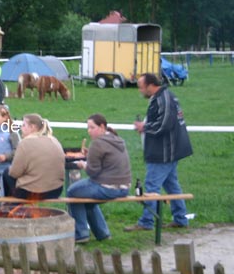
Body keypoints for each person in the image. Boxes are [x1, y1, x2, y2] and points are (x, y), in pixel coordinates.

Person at [125, 73, 193, 231]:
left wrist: (144, 127)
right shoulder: (163, 97)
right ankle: (181, 218)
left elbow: (165, 124)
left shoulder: (164, 99)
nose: (140, 91)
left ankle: (146, 222)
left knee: (151, 187)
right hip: (168, 151)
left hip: (163, 153)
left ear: (150, 85)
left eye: (141, 87)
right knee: (172, 186)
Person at [67, 114, 131, 243]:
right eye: (88, 127)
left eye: (92, 127)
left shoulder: (98, 143)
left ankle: (81, 233)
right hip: (125, 187)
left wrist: (83, 165)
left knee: (72, 192)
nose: (89, 130)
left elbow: (92, 172)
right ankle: (102, 233)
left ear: (102, 127)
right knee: (86, 199)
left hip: (108, 187)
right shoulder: (116, 139)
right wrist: (91, 155)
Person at [3, 114, 64, 200]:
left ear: (32, 127)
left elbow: (14, 173)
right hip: (56, 190)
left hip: (33, 192)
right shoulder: (54, 140)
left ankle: (10, 206)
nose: (21, 128)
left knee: (7, 172)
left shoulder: (25, 143)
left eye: (24, 125)